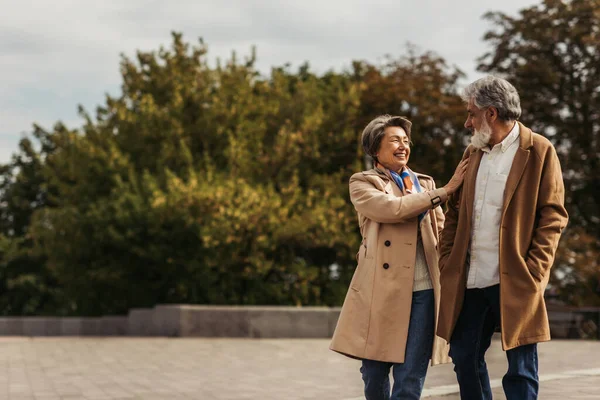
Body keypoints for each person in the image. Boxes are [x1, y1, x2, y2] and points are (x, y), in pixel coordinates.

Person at [437, 76, 569, 400]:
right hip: (469, 278)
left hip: (514, 277)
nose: (467, 122)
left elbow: (553, 215)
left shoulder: (538, 150)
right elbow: (454, 210)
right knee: (464, 356)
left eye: (471, 114)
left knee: (520, 370)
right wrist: (447, 256)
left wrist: (535, 271)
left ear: (491, 113)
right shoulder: (474, 151)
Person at [330, 114, 468, 400]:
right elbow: (391, 209)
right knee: (374, 372)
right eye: (394, 140)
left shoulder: (425, 184)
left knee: (410, 376)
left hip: (424, 291)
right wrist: (444, 191)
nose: (403, 146)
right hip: (380, 290)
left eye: (406, 141)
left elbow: (442, 233)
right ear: (375, 149)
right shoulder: (363, 183)